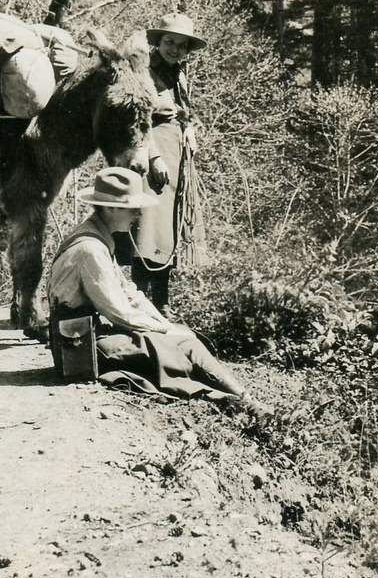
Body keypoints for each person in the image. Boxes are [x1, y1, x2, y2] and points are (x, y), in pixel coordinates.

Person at [46, 165, 247, 402]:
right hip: (78, 347)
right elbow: (119, 312)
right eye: (133, 209)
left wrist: (164, 324)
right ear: (111, 208)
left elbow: (129, 293)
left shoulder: (97, 238)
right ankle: (238, 400)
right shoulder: (91, 249)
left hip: (88, 336)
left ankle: (240, 397)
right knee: (169, 345)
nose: (138, 215)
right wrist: (163, 331)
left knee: (179, 337)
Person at [116, 11, 206, 310]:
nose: (175, 49)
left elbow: (182, 111)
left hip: (176, 157)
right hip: (151, 157)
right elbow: (137, 119)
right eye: (169, 42)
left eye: (182, 45)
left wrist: (189, 128)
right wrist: (154, 157)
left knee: (168, 228)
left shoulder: (178, 75)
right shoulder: (143, 72)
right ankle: (141, 301)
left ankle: (161, 302)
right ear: (159, 42)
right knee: (147, 228)